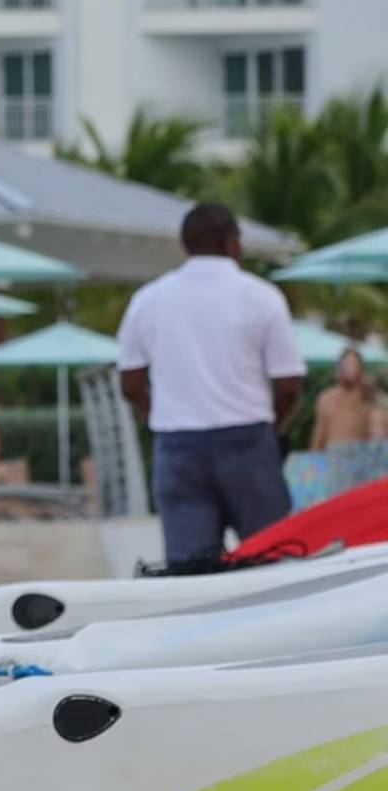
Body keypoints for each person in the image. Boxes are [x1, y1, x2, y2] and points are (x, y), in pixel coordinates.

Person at [118, 201, 306, 564]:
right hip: (248, 440)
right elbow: (288, 384)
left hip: (178, 446)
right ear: (229, 242)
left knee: (191, 570)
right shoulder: (261, 296)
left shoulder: (148, 300)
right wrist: (273, 429)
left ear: (186, 243)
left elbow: (129, 383)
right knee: (272, 560)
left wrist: (160, 417)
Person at [312, 347, 388, 452]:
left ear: (361, 369)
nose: (349, 369)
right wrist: (313, 457)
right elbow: (319, 433)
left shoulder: (367, 395)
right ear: (339, 367)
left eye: (353, 365)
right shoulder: (326, 398)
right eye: (346, 364)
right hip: (333, 457)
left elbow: (379, 428)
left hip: (360, 457)